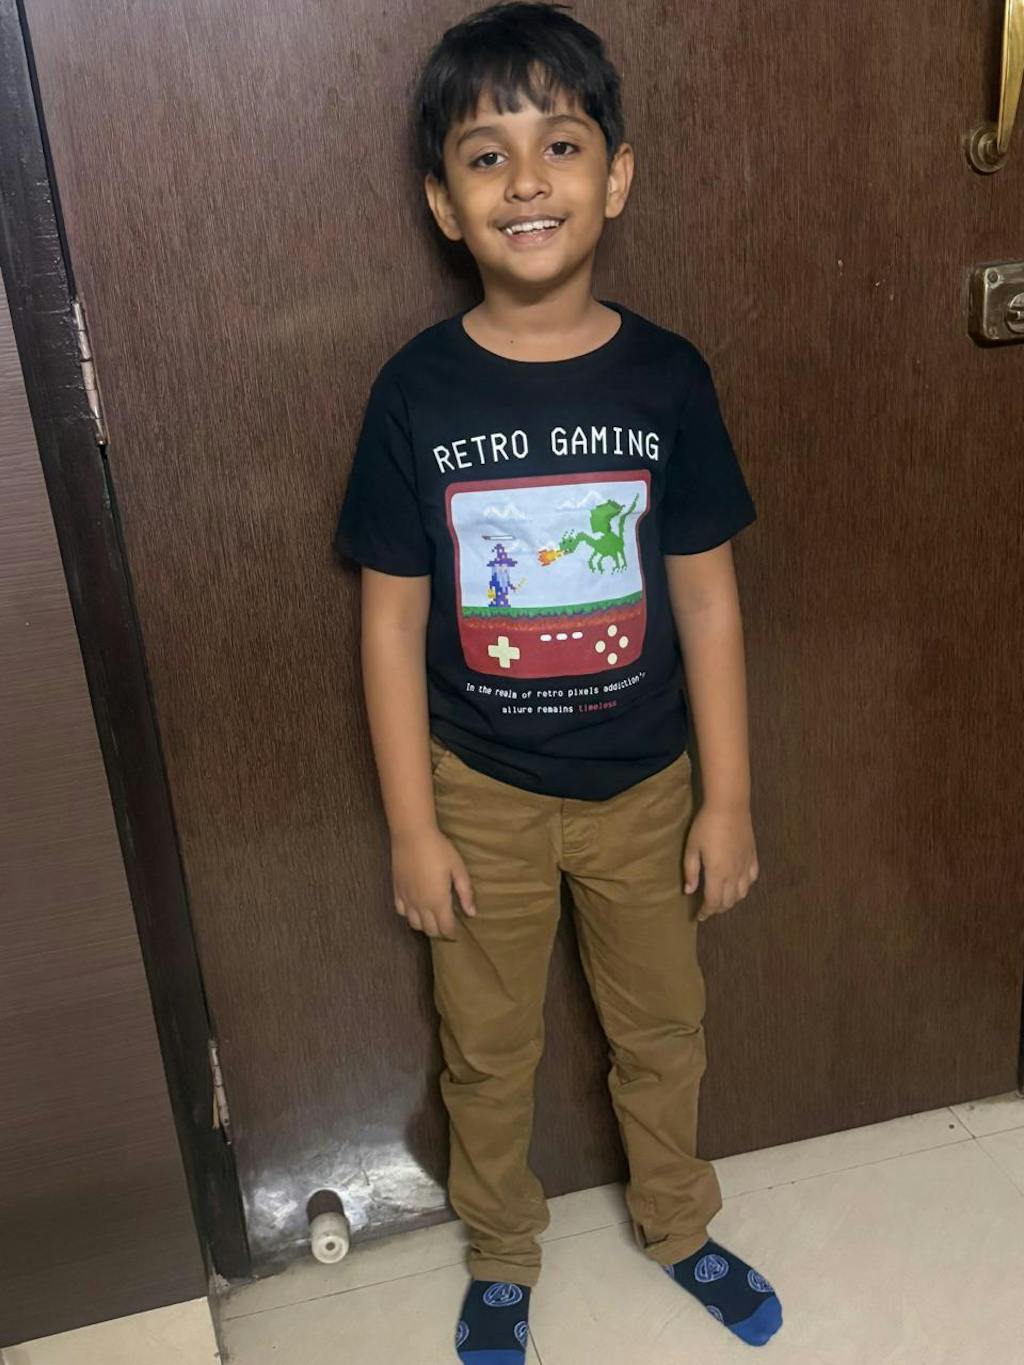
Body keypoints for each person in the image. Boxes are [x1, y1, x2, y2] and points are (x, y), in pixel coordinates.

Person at [333, 3, 782, 1358]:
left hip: (649, 791)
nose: (527, 180)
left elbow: (706, 599)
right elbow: (388, 625)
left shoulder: (668, 378)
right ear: (443, 201)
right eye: (487, 155)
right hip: (480, 797)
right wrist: (414, 826)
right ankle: (501, 1252)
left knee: (665, 1030)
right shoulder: (415, 393)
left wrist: (728, 800)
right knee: (485, 1048)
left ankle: (679, 1224)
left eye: (562, 144)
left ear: (617, 176)